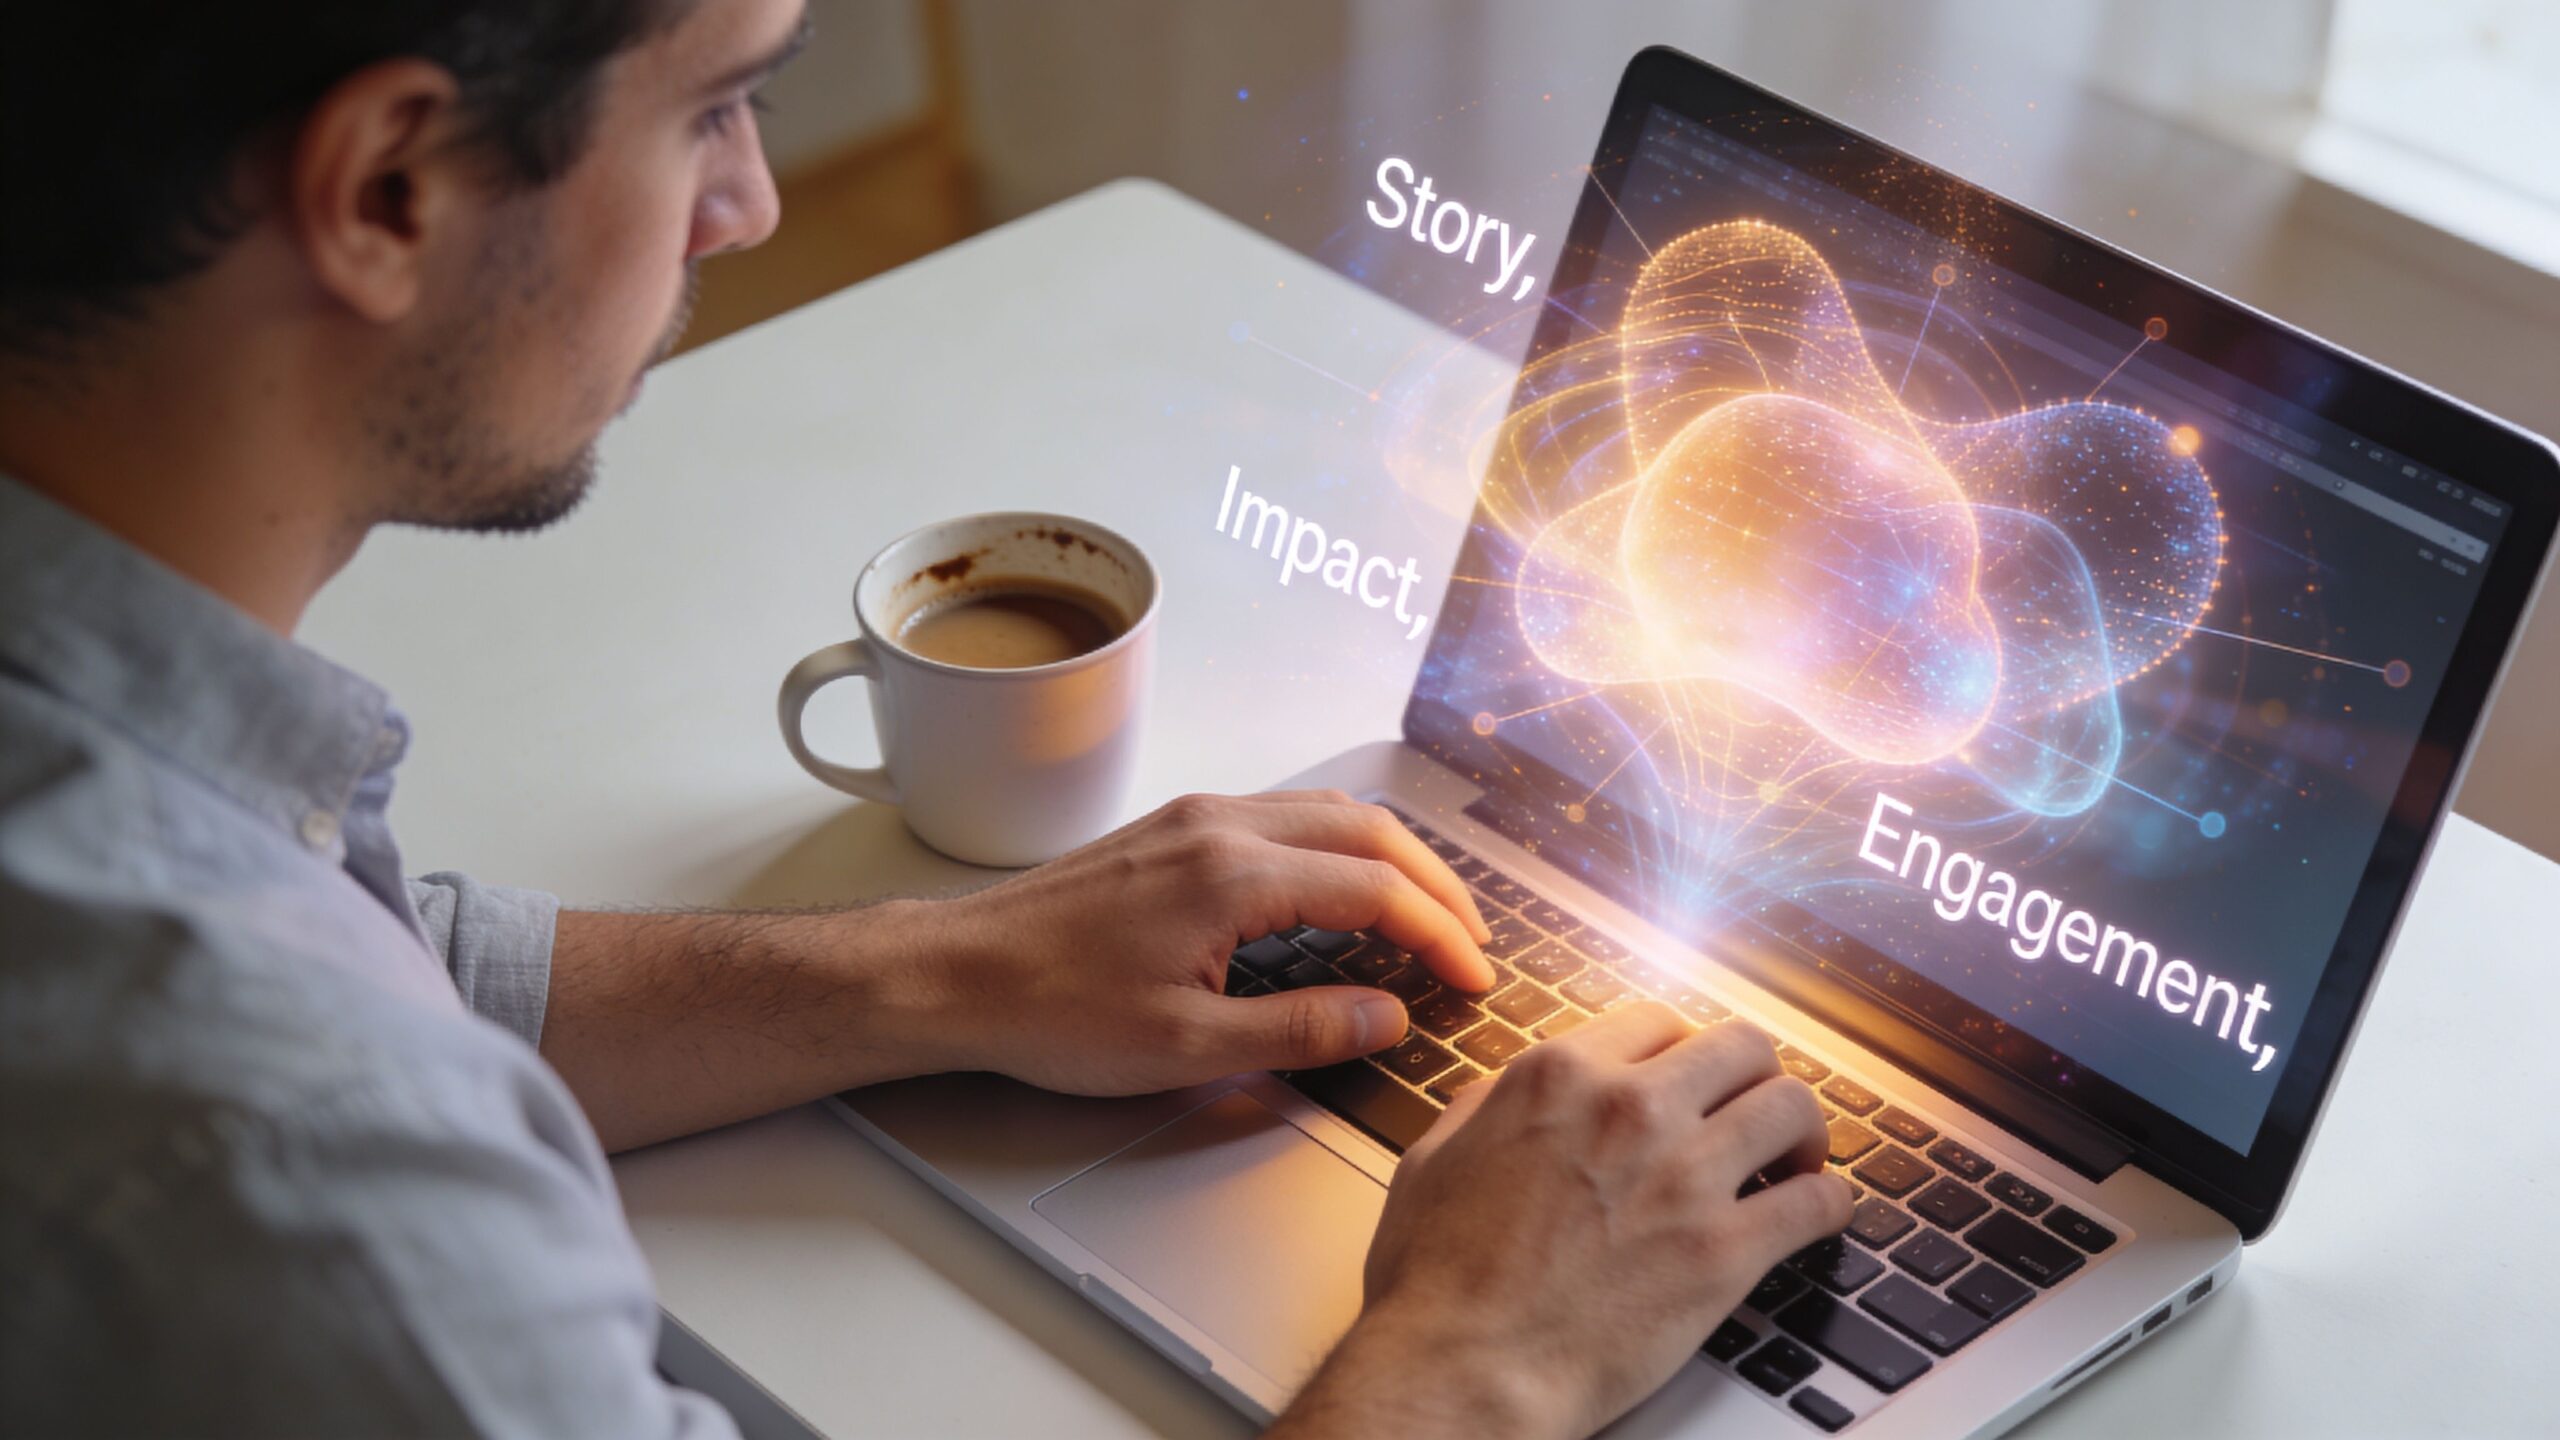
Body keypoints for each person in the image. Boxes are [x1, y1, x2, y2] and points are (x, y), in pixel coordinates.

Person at [0, 2, 1854, 1435]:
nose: (753, 203)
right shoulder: (289, 1167)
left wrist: (933, 969)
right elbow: (312, 1073)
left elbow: (388, 957)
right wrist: (1480, 1359)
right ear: (387, 189)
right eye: (712, 108)